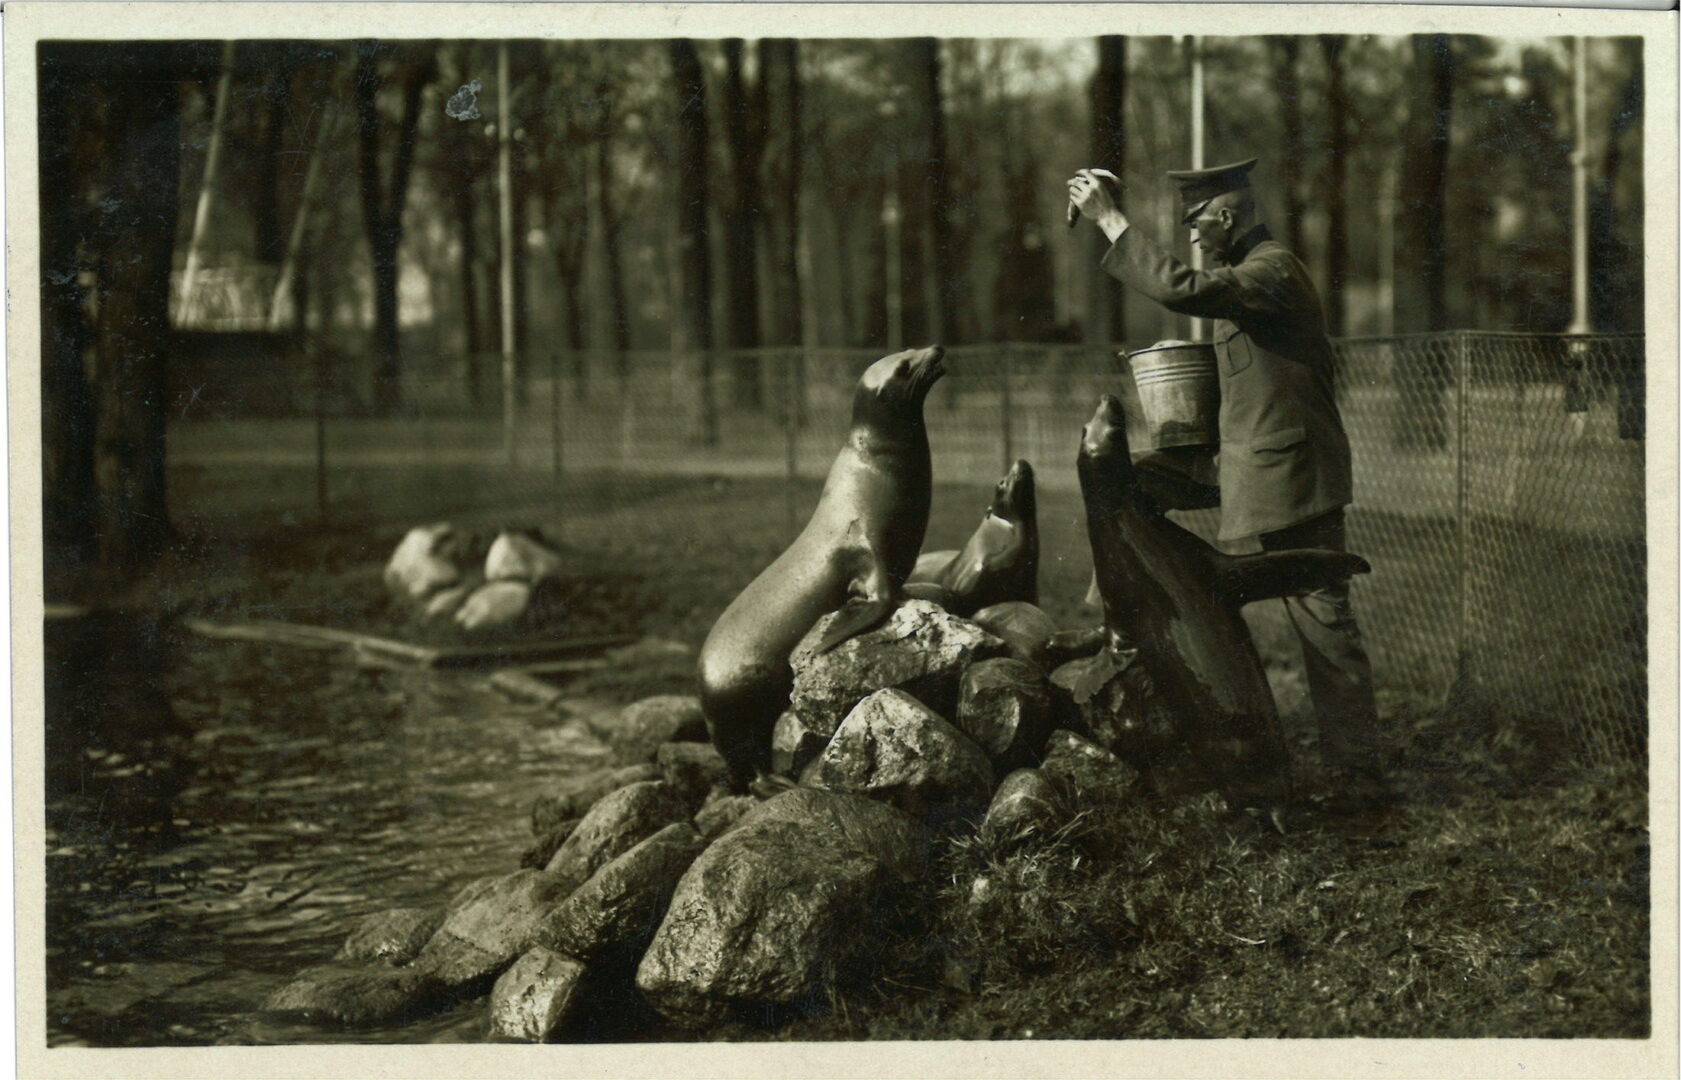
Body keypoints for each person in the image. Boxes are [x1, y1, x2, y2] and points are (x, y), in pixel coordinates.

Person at [1066, 157, 1393, 814]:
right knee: (1128, 492)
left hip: (1293, 477)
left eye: (1196, 222)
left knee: (1322, 625)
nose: (1193, 234)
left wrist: (1112, 221)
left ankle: (1358, 779)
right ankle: (1118, 633)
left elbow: (1182, 289)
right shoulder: (1248, 281)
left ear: (1225, 215)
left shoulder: (1272, 271)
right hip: (1251, 466)